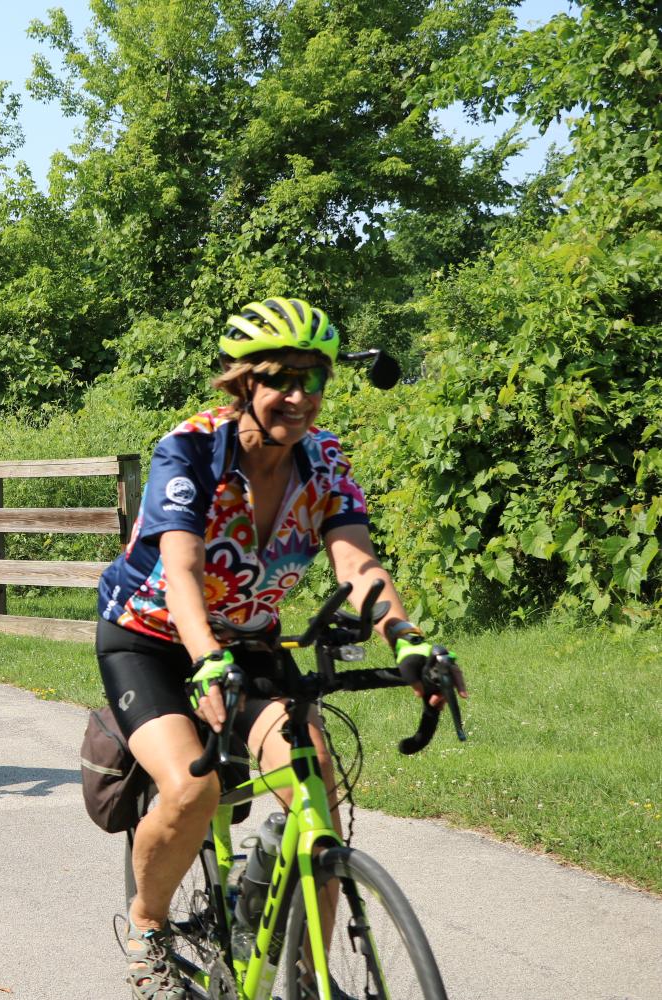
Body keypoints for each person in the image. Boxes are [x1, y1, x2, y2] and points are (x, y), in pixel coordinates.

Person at [95, 297, 465, 999]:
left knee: (314, 774)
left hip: (249, 640)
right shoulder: (191, 450)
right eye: (280, 379)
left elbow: (357, 563)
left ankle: (305, 972)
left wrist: (408, 640)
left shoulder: (323, 459)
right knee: (194, 787)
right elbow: (182, 571)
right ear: (243, 383)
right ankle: (147, 926)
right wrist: (204, 658)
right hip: (151, 638)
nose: (298, 397)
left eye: (313, 378)